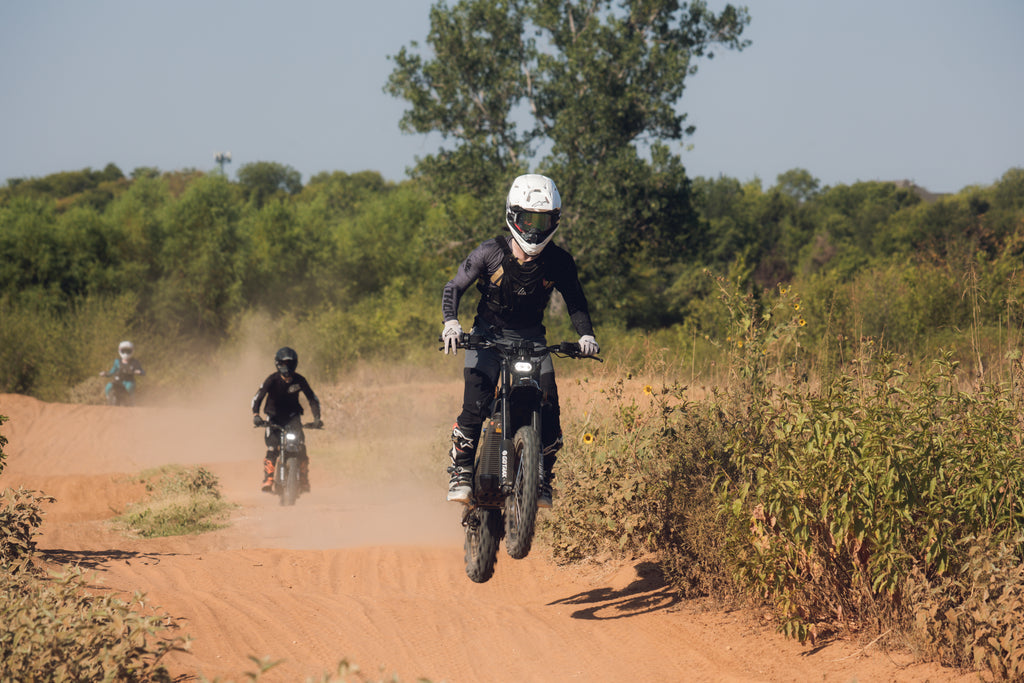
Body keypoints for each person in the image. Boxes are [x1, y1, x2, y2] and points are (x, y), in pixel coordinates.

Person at [441, 173, 599, 508]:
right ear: (514, 216)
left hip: (533, 340)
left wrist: (586, 335)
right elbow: (454, 287)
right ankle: (461, 472)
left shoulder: (559, 261)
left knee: (551, 422)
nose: (535, 228)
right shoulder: (489, 253)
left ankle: (542, 478)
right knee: (475, 407)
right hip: (486, 337)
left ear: (554, 220)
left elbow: (575, 301)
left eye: (543, 220)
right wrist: (452, 324)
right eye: (528, 219)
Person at [251, 346, 323, 493]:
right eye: (284, 364)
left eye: (290, 364)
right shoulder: (272, 380)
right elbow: (257, 397)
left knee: (301, 446)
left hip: (293, 418)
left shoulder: (300, 380)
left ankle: (303, 478)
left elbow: (312, 399)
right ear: (278, 364)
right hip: (273, 418)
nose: (287, 367)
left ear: (295, 364)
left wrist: (317, 418)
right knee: (272, 448)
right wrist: (256, 415)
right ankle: (268, 478)